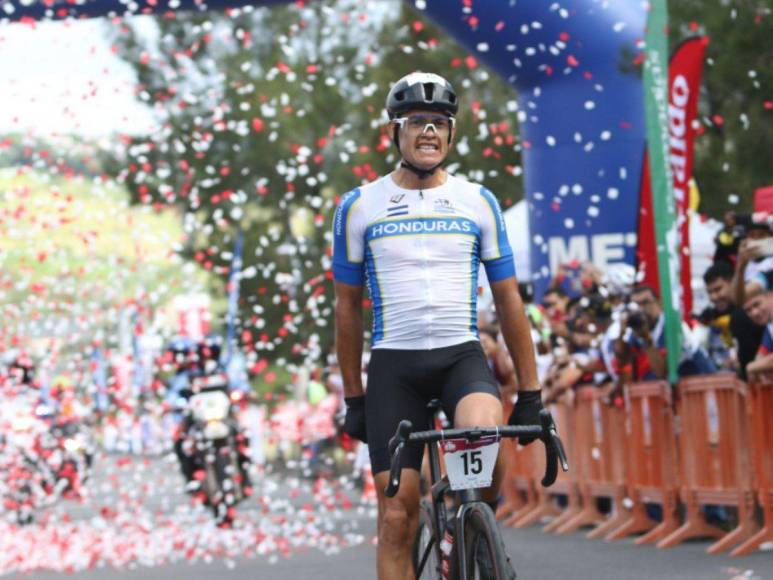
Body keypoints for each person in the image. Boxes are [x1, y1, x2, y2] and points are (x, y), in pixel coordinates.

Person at [333, 72, 544, 580]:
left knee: (484, 437)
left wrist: (531, 388)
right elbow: (346, 309)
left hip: (460, 357)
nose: (428, 132)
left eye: (439, 123)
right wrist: (355, 397)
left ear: (450, 134)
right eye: (417, 122)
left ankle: (470, 526)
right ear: (396, 132)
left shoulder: (478, 201)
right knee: (397, 516)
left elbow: (508, 298)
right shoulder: (359, 206)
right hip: (394, 368)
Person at [697, 260, 764, 378]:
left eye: (718, 289)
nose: (714, 297)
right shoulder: (711, 317)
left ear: (733, 283)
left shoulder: (750, 314)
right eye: (709, 292)